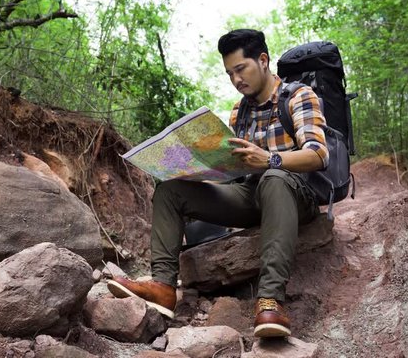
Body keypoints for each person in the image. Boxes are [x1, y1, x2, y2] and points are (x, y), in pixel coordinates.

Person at [108, 29, 328, 338]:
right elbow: (237, 166)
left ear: (263, 60)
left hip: (292, 192)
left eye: (241, 69)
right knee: (171, 189)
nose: (236, 79)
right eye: (230, 73)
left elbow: (318, 154)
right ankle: (162, 287)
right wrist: (202, 169)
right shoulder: (240, 109)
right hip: (250, 192)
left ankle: (270, 301)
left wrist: (269, 159)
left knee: (275, 179)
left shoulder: (299, 95)